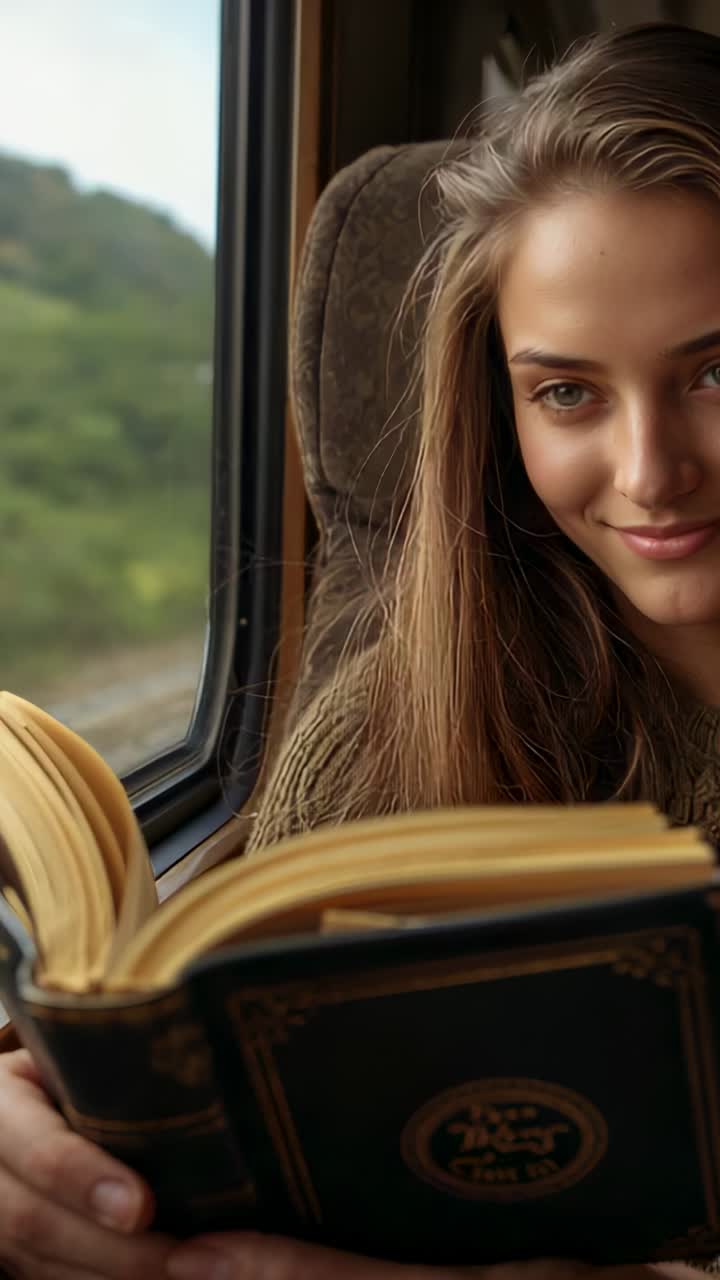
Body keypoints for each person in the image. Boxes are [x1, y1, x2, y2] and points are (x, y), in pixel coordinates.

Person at [1, 19, 720, 1280]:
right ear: (498, 408)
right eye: (566, 392)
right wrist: (69, 1142)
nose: (650, 472)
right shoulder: (380, 733)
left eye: (716, 374)